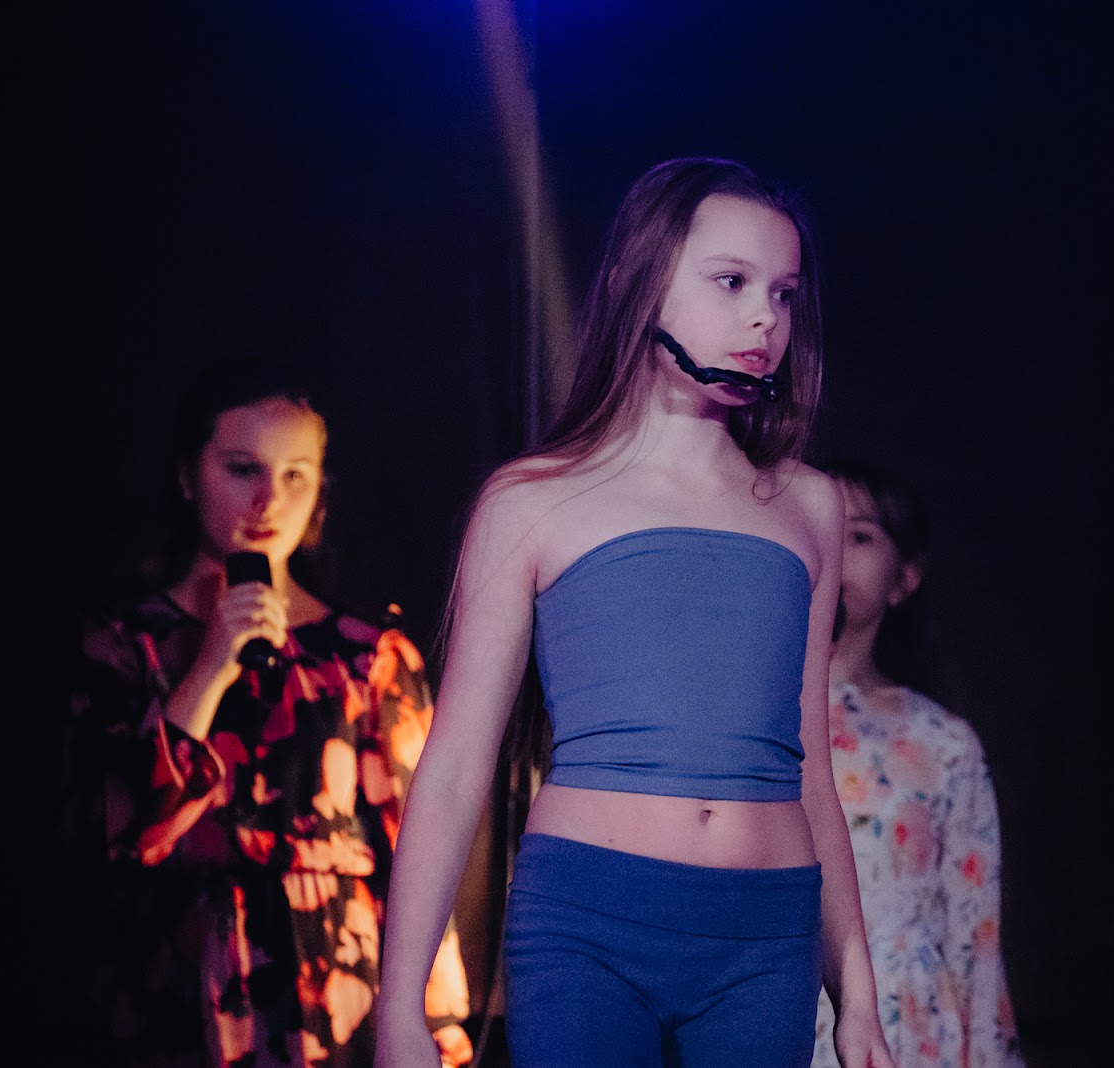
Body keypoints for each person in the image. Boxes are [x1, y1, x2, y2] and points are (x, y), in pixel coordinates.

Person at [374, 157, 894, 1068]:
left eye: (783, 293)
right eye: (731, 281)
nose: (766, 318)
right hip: (589, 924)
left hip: (764, 936)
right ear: (635, 281)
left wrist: (858, 997)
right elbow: (454, 768)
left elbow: (810, 767)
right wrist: (399, 1008)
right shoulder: (533, 501)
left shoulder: (809, 506)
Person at [64, 359, 473, 1068]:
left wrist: (437, 1026)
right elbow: (117, 833)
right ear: (188, 476)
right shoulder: (124, 643)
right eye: (242, 469)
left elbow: (420, 858)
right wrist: (210, 666)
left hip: (332, 991)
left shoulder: (368, 657)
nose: (269, 501)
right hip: (174, 988)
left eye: (295, 475)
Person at [812, 461, 1025, 1068]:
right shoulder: (754, 716)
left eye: (858, 535)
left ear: (904, 578)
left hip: (905, 1018)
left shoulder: (943, 742)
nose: (835, 548)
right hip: (784, 998)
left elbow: (974, 932)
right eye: (821, 528)